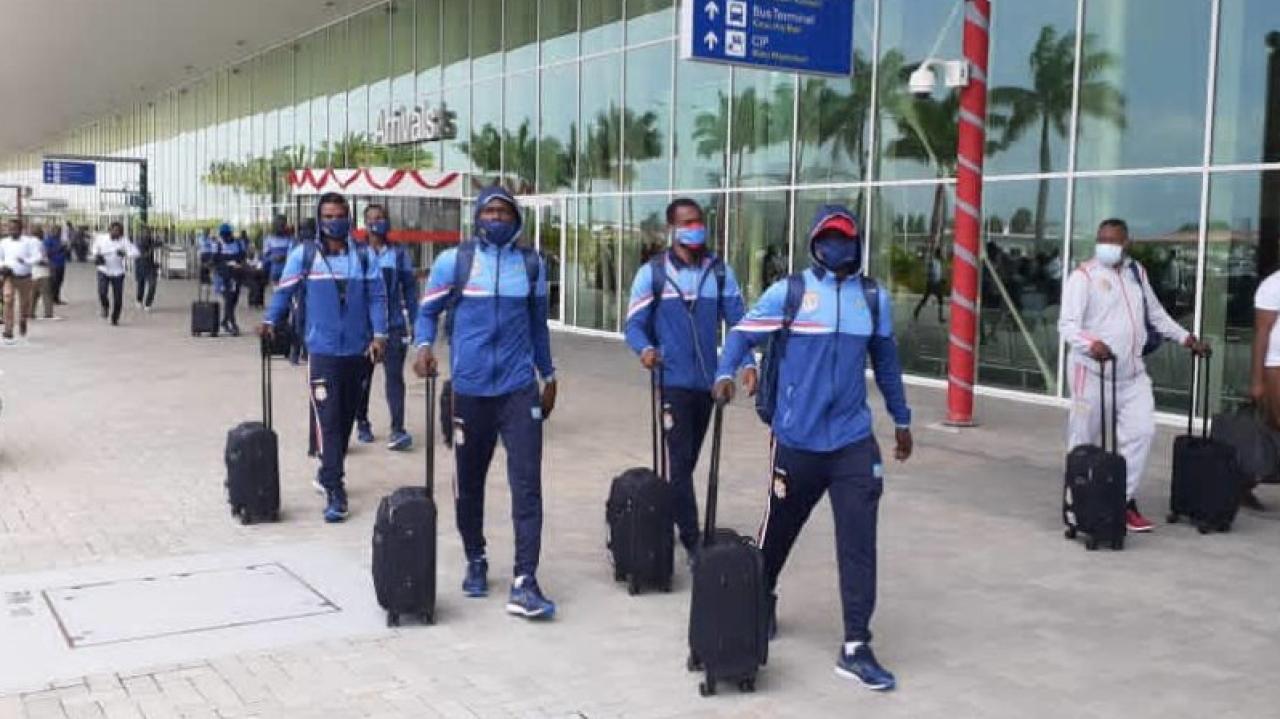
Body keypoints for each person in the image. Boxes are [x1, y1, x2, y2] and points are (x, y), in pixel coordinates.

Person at [712, 205, 913, 693]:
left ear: (857, 244)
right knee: (777, 532)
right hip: (797, 441)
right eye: (828, 237)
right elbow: (741, 335)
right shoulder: (792, 292)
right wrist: (724, 373)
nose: (837, 246)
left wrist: (902, 419)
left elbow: (886, 363)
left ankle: (856, 645)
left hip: (852, 443)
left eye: (845, 238)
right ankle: (761, 601)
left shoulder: (872, 298)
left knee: (859, 543)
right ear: (814, 242)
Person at [412, 186, 558, 620]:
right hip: (469, 390)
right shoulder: (453, 262)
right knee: (468, 482)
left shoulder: (531, 265)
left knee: (528, 484)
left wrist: (549, 376)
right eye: (489, 211)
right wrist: (423, 347)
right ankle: (475, 557)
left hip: (518, 390)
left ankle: (524, 580)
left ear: (516, 218)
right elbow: (426, 312)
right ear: (478, 216)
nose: (496, 218)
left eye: (504, 211)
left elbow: (538, 327)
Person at [1058, 218, 1211, 532]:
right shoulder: (1084, 276)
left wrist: (1186, 338)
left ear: (1126, 243)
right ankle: (1078, 506)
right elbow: (1068, 325)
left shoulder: (1136, 273)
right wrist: (1092, 343)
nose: (1106, 245)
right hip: (1092, 373)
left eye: (1113, 240)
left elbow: (1155, 314)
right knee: (1083, 440)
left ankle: (1118, 502)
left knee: (1142, 433)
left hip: (1132, 374)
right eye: (1102, 239)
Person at [623, 197, 751, 558]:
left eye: (698, 221)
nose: (695, 228)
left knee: (689, 460)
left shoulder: (720, 272)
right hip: (672, 381)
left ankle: (664, 511)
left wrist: (745, 365)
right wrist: (645, 349)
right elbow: (633, 324)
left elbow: (740, 324)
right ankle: (694, 542)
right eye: (687, 223)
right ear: (672, 229)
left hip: (708, 385)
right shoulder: (654, 273)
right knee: (679, 461)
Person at [261, 191, 388, 523]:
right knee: (329, 419)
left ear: (350, 217)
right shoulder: (303, 255)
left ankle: (326, 469)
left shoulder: (364, 256)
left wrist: (379, 334)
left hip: (358, 352)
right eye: (328, 216)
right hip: (322, 352)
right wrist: (270, 321)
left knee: (345, 418)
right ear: (320, 220)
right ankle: (335, 488)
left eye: (340, 214)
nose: (335, 221)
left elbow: (377, 296)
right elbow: (284, 291)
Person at [354, 204, 418, 451]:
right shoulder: (357, 253)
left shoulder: (398, 253)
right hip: (364, 329)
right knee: (362, 379)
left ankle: (398, 429)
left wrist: (416, 321)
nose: (376, 222)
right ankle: (362, 422)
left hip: (394, 327)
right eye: (371, 219)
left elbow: (410, 290)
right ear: (364, 224)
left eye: (380, 218)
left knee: (394, 378)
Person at [0, 218, 42, 340]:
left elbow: (37, 257)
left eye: (14, 229)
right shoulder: (3, 243)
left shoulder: (29, 242)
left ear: (20, 229)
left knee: (24, 303)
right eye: (10, 229)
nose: (12, 231)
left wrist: (26, 261)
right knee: (8, 300)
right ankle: (8, 329)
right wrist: (2, 266)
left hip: (25, 277)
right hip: (9, 276)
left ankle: (23, 319)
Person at [92, 222, 140, 326]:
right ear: (109, 230)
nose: (115, 233)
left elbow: (136, 252)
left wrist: (126, 253)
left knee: (118, 297)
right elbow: (95, 248)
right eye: (114, 230)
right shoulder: (101, 238)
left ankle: (115, 318)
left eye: (118, 231)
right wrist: (96, 255)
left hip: (118, 272)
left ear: (121, 233)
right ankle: (105, 306)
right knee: (102, 292)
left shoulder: (124, 241)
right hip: (103, 270)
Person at [202, 223, 246, 336]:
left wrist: (240, 265)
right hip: (222, 277)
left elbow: (243, 257)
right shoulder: (218, 245)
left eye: (227, 235)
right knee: (228, 298)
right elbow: (214, 260)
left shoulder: (239, 244)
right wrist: (207, 265)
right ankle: (233, 324)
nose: (226, 237)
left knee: (233, 299)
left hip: (236, 275)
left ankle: (225, 321)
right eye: (224, 235)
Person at [28, 223, 54, 321]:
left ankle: (30, 313)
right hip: (42, 271)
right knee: (46, 293)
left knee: (33, 294)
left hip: (32, 272)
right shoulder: (39, 243)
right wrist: (48, 265)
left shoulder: (29, 242)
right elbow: (40, 258)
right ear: (39, 233)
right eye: (42, 231)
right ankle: (48, 313)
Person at [913, 247, 946, 322]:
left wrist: (941, 280)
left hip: (935, 283)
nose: (941, 255)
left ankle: (917, 311)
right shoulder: (933, 262)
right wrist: (933, 277)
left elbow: (938, 273)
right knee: (927, 299)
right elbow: (930, 272)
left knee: (938, 300)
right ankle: (917, 311)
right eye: (940, 254)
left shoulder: (938, 262)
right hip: (932, 283)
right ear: (938, 254)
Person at [134, 227, 162, 312]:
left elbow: (160, 244)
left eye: (149, 233)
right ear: (141, 234)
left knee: (152, 285)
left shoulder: (151, 241)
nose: (147, 235)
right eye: (145, 233)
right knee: (141, 286)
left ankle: (148, 304)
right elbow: (144, 255)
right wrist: (152, 248)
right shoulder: (139, 243)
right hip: (141, 266)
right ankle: (139, 300)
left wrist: (159, 239)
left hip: (151, 268)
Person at [263, 215, 293, 286]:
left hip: (288, 273)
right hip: (275, 274)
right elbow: (265, 257)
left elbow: (294, 255)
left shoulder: (290, 239)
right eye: (279, 225)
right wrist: (273, 258)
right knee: (277, 293)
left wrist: (285, 257)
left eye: (283, 225)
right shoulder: (269, 239)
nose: (281, 227)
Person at [44, 224, 68, 306]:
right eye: (57, 231)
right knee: (53, 283)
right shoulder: (48, 240)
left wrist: (65, 250)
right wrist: (59, 249)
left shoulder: (59, 240)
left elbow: (63, 251)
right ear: (52, 231)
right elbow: (47, 253)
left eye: (59, 231)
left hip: (61, 264)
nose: (58, 233)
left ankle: (56, 298)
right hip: (53, 264)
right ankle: (51, 300)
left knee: (59, 282)